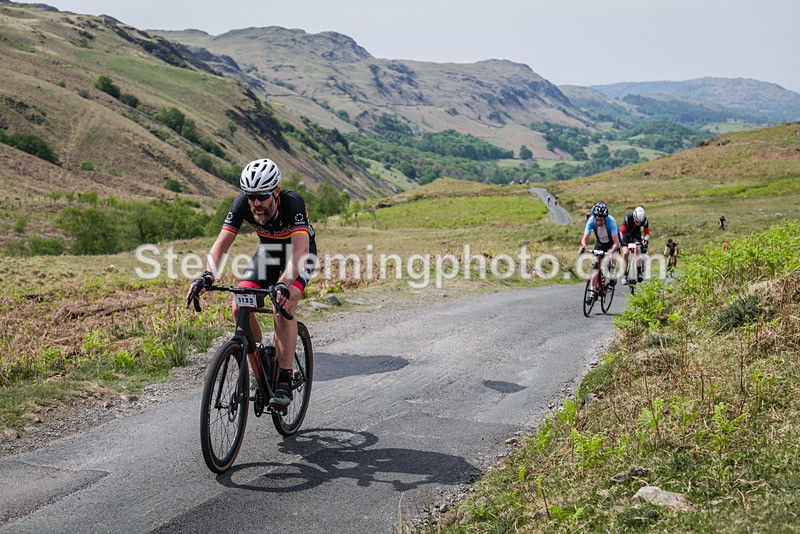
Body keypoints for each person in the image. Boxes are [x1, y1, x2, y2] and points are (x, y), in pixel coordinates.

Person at [187, 158, 317, 409]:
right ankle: (262, 358)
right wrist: (207, 275)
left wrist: (283, 284)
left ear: (276, 192)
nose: (256, 203)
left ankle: (285, 378)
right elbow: (221, 245)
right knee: (240, 306)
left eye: (262, 196)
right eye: (251, 196)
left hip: (299, 255)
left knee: (283, 303)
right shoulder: (242, 205)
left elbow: (300, 251)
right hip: (268, 254)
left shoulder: (293, 203)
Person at [579, 202, 620, 286]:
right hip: (600, 242)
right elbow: (584, 238)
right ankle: (592, 290)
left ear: (605, 218)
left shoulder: (611, 221)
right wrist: (583, 246)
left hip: (611, 242)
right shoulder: (590, 221)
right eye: (596, 220)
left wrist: (612, 250)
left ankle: (613, 270)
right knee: (595, 264)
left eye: (601, 220)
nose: (598, 223)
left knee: (610, 257)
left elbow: (616, 242)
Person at [619, 206, 649, 284]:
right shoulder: (628, 218)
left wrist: (645, 239)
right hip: (626, 235)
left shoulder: (645, 220)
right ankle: (625, 273)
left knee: (638, 249)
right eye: (636, 221)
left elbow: (647, 233)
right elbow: (621, 231)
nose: (638, 223)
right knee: (625, 253)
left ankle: (639, 272)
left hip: (636, 235)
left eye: (640, 222)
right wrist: (619, 240)